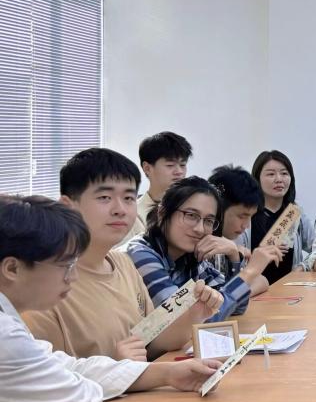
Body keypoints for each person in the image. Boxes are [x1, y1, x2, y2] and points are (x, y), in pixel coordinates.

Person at [0, 195, 221, 402]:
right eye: (64, 266)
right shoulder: (6, 336)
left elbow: (67, 368)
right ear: (12, 268)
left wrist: (165, 374)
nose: (72, 277)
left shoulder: (123, 263)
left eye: (129, 197)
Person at [23, 149, 224, 362]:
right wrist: (118, 365)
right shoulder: (41, 286)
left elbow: (150, 343)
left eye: (129, 198)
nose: (120, 209)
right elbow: (45, 376)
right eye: (105, 197)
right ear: (68, 206)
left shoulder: (123, 264)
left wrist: (194, 314)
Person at [129, 177, 283, 319]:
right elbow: (181, 319)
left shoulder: (192, 256)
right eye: (191, 215)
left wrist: (234, 258)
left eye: (209, 221)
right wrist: (250, 272)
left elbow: (236, 308)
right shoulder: (141, 253)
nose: (200, 229)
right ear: (162, 213)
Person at [239, 150, 314, 284]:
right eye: (271, 174)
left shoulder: (295, 213)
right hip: (253, 290)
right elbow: (234, 258)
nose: (279, 179)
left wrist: (302, 267)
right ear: (257, 178)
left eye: (284, 173)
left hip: (290, 290)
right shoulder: (247, 215)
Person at [120, 131, 193, 247]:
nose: (179, 171)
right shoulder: (133, 213)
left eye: (183, 165)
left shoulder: (193, 208)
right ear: (147, 168)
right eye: (170, 165)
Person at [208, 165, 268, 283]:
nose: (246, 225)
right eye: (242, 216)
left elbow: (261, 281)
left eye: (250, 217)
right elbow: (225, 291)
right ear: (218, 208)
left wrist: (234, 255)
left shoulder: (230, 244)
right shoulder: (199, 248)